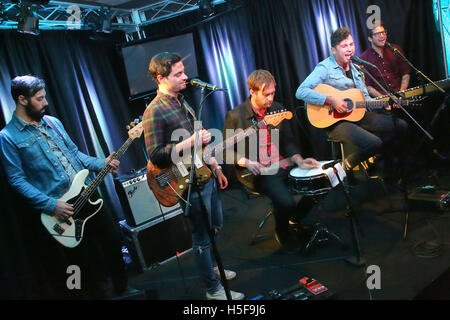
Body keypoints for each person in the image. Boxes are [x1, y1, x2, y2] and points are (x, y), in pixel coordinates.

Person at [0, 75, 128, 298]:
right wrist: (51, 204)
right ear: (22, 99)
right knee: (78, 263)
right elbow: (16, 180)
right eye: (39, 99)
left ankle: (123, 289)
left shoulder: (53, 123)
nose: (45, 102)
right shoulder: (7, 136)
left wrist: (102, 164)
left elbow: (75, 155)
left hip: (87, 195)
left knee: (112, 240)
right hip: (61, 209)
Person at [142, 52, 244, 300]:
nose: (185, 77)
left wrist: (215, 167)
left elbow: (198, 145)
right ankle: (212, 289)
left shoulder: (182, 101)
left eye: (183, 71)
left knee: (215, 228)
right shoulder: (154, 111)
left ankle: (214, 268)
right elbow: (156, 155)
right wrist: (190, 141)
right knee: (201, 238)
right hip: (185, 183)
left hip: (204, 174)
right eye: (178, 74)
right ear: (160, 78)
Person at [223, 69, 321, 252]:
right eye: (266, 94)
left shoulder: (276, 108)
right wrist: (247, 161)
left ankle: (294, 218)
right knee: (286, 202)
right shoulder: (236, 115)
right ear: (252, 91)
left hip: (283, 163)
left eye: (273, 93)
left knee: (322, 181)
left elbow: (289, 141)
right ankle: (282, 230)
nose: (270, 98)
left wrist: (299, 160)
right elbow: (226, 151)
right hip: (259, 170)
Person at [296, 27, 408, 175]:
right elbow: (301, 91)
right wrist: (332, 100)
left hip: (356, 115)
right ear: (333, 50)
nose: (349, 49)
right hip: (335, 122)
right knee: (374, 143)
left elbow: (365, 99)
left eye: (351, 44)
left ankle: (383, 166)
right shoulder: (325, 68)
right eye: (344, 46)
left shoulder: (356, 69)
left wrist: (382, 104)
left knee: (400, 125)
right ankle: (344, 166)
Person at [360, 21, 411, 97]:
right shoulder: (364, 58)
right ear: (370, 38)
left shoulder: (395, 50)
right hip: (383, 101)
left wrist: (401, 93)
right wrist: (385, 101)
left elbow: (405, 73)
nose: (382, 36)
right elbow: (368, 86)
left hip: (401, 95)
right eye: (378, 34)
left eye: (383, 32)